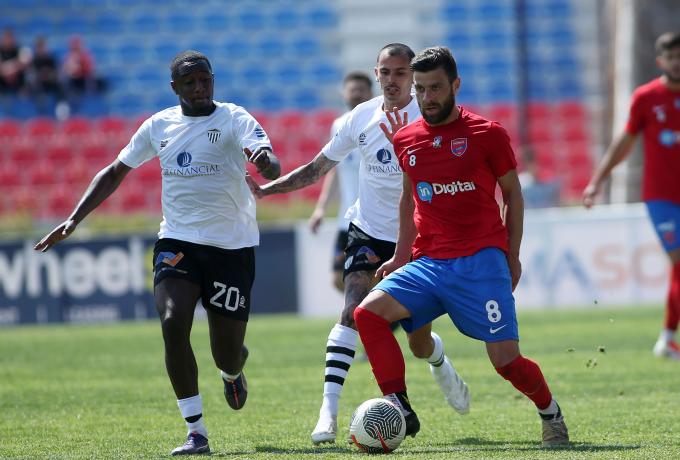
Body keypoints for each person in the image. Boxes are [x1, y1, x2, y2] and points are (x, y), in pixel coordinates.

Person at [34, 50, 281, 456]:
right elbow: (115, 171)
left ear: (213, 80)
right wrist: (74, 219)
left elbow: (271, 164)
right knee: (171, 320)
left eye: (205, 80)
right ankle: (196, 431)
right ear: (174, 87)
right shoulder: (158, 126)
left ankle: (232, 369)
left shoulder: (235, 118)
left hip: (230, 247)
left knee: (226, 352)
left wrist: (265, 163)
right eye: (190, 82)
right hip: (177, 242)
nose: (199, 88)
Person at [251, 43, 470, 444]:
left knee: (418, 340)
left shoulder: (431, 116)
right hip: (367, 230)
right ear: (376, 74)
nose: (392, 80)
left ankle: (439, 360)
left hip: (417, 236)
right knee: (351, 310)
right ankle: (328, 413)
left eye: (401, 73)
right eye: (385, 72)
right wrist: (270, 189)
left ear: (413, 76)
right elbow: (319, 167)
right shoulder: (360, 117)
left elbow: (451, 173)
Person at [352, 46, 569, 448]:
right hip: (429, 262)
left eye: (435, 88)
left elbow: (513, 194)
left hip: (481, 262)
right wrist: (400, 255)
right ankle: (399, 407)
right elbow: (408, 198)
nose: (426, 97)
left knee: (506, 362)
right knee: (368, 315)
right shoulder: (407, 138)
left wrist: (511, 255)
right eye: (420, 89)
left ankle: (550, 412)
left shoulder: (488, 134)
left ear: (455, 85)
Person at [583, 32, 680, 360]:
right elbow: (624, 142)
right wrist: (598, 180)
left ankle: (667, 340)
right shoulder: (646, 97)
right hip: (662, 197)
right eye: (672, 57)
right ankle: (667, 339)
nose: (677, 62)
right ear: (661, 61)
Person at [308, 71, 373, 292]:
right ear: (344, 93)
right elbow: (334, 168)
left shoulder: (378, 123)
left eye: (361, 90)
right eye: (352, 90)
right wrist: (321, 209)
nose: (356, 94)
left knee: (370, 279)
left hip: (373, 220)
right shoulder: (339, 125)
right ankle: (370, 313)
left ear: (370, 93)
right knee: (338, 279)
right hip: (346, 219)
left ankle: (371, 313)